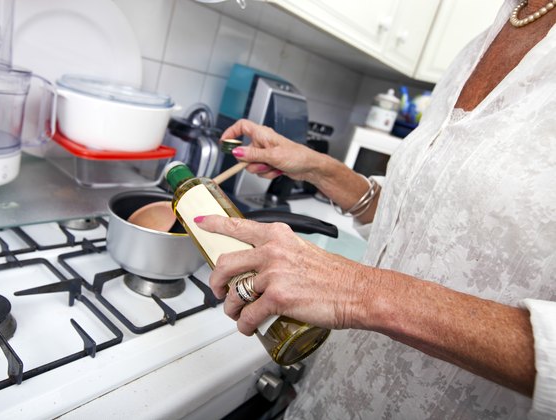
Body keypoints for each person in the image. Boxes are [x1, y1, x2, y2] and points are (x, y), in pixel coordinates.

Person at [194, 0, 556, 418]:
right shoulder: (487, 37)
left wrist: (359, 291)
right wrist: (317, 167)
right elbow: (421, 223)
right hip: (337, 389)